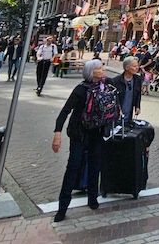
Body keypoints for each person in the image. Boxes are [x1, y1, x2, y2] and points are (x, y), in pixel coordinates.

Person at [52, 60, 118, 222]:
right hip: (79, 134)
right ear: (90, 72)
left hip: (97, 133)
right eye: (98, 69)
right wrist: (57, 132)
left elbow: (121, 83)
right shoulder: (80, 90)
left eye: (102, 68)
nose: (102, 70)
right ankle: (62, 208)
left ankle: (93, 199)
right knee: (73, 167)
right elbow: (65, 111)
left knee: (95, 165)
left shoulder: (105, 85)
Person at [110, 58, 143, 125]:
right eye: (134, 66)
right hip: (117, 114)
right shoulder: (116, 81)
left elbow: (138, 94)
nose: (137, 68)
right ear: (127, 67)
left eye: (137, 66)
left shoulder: (138, 79)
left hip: (129, 112)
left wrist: (137, 106)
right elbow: (112, 98)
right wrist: (117, 110)